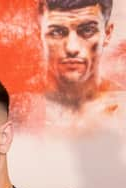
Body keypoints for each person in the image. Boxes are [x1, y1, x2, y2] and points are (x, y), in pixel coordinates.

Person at [38, 0, 122, 128]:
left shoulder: (122, 109)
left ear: (108, 34)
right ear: (40, 34)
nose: (72, 48)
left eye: (87, 30)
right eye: (57, 32)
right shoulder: (17, 109)